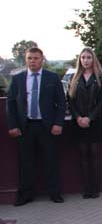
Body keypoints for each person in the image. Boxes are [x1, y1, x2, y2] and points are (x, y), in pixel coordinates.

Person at [6, 46, 66, 205]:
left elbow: (61, 103)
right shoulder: (18, 79)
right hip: (25, 127)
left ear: (42, 59)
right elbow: (10, 103)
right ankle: (26, 195)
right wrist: (12, 125)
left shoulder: (52, 78)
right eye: (29, 58)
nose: (32, 61)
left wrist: (58, 123)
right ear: (26, 60)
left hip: (47, 126)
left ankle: (55, 193)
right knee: (26, 162)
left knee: (51, 160)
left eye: (36, 58)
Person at [67, 47, 102, 198]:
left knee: (94, 153)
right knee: (83, 154)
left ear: (93, 59)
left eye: (88, 58)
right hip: (78, 122)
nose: (86, 60)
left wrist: (89, 118)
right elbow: (70, 101)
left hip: (94, 121)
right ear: (80, 60)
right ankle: (87, 188)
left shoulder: (101, 77)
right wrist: (78, 118)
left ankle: (95, 188)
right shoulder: (74, 77)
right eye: (83, 58)